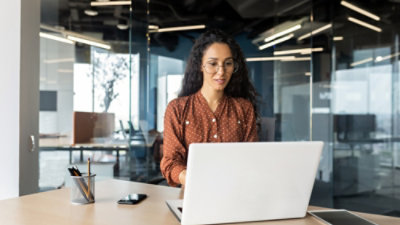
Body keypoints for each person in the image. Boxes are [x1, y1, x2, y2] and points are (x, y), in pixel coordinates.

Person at [160, 29, 259, 187]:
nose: (221, 72)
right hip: (192, 196)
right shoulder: (177, 109)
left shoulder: (244, 108)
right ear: (200, 65)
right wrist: (192, 179)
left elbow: (252, 159)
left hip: (235, 194)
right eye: (213, 64)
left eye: (228, 63)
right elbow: (170, 162)